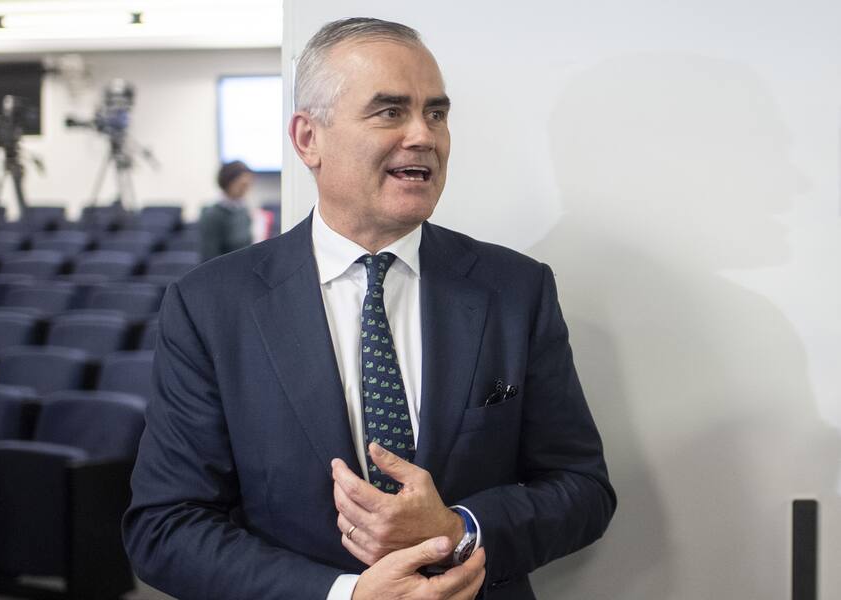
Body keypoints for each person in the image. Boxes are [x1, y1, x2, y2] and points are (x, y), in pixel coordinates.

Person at [123, 17, 616, 600]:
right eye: (390, 112)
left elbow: (582, 489)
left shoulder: (516, 289)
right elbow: (165, 527)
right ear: (309, 139)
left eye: (436, 113)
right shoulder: (211, 305)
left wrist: (459, 531)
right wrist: (346, 596)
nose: (424, 136)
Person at [199, 160, 258, 261]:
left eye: (248, 185)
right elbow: (209, 256)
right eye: (242, 185)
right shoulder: (212, 214)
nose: (245, 190)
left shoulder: (243, 210)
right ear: (228, 182)